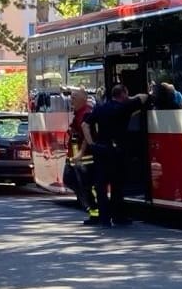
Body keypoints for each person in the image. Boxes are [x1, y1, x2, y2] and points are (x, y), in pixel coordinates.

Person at [85, 82, 150, 227]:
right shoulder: (125, 107)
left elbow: (85, 125)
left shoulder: (100, 108)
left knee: (101, 186)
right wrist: (130, 98)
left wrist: (91, 144)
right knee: (117, 185)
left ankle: (104, 219)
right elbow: (144, 97)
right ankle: (118, 216)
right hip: (116, 151)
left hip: (100, 150)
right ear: (124, 94)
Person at [62, 88, 97, 219]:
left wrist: (81, 154)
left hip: (85, 159)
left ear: (83, 99)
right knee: (71, 180)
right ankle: (90, 208)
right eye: (71, 97)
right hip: (76, 158)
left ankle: (95, 212)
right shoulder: (78, 113)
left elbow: (87, 136)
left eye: (74, 98)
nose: (71, 100)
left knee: (88, 186)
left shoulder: (85, 114)